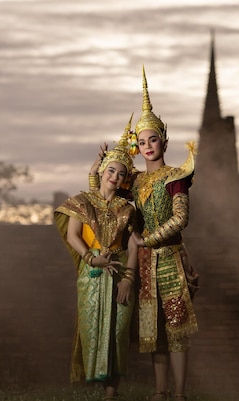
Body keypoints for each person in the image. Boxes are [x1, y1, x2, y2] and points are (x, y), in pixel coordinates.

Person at [92, 67, 198, 401]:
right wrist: (99, 168)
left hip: (170, 259)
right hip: (145, 264)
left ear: (164, 141)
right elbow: (102, 196)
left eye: (153, 139)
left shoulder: (176, 177)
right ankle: (160, 392)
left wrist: (147, 239)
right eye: (141, 142)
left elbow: (181, 218)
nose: (147, 145)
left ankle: (179, 395)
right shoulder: (134, 182)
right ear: (136, 148)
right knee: (154, 332)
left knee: (176, 327)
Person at [54, 118, 139, 401]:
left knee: (118, 333)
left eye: (121, 173)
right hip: (92, 274)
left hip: (119, 271)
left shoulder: (127, 209)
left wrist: (128, 278)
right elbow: (73, 236)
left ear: (125, 179)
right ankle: (96, 384)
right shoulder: (83, 201)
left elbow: (135, 243)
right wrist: (91, 260)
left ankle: (111, 394)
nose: (114, 176)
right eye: (110, 170)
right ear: (102, 171)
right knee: (93, 330)